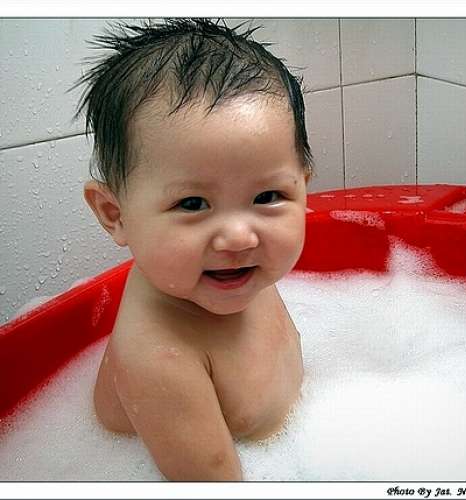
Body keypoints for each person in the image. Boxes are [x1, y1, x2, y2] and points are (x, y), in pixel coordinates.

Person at [72, 18, 314, 481]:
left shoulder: (233, 271)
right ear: (115, 214)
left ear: (303, 188)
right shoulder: (158, 359)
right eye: (192, 204)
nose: (240, 237)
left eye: (268, 196)